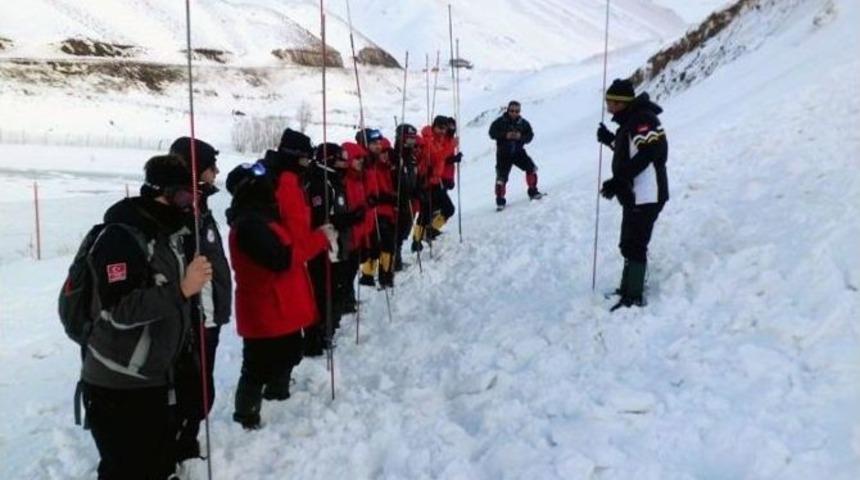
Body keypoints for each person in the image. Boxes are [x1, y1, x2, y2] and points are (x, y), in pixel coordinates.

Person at [80, 154, 212, 479]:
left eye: (192, 197)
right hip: (119, 383)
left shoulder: (169, 233)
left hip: (155, 376)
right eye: (183, 196)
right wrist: (182, 289)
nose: (188, 204)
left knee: (157, 463)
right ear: (161, 192)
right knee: (129, 469)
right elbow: (120, 309)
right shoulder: (122, 237)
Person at [229, 129, 337, 429]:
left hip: (277, 298)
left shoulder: (262, 216)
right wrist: (318, 239)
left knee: (286, 350)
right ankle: (247, 415)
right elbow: (285, 255)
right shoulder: (251, 223)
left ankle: (277, 390)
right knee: (256, 363)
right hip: (265, 303)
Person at [167, 137, 232, 462]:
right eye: (210, 167)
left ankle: (186, 437)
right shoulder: (181, 210)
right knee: (191, 390)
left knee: (200, 387)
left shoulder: (200, 205)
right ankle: (181, 446)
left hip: (207, 314)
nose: (216, 172)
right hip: (194, 317)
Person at [596, 78, 669, 311]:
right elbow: (632, 149)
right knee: (628, 243)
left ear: (620, 103)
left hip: (647, 194)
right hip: (635, 194)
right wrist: (610, 140)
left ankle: (634, 295)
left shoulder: (642, 119)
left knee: (635, 244)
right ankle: (627, 288)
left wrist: (619, 180)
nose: (607, 106)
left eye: (610, 101)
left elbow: (650, 152)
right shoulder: (632, 119)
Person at [488, 101, 543, 209]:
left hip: (518, 152)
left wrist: (520, 137)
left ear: (519, 111)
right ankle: (500, 202)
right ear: (507, 110)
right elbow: (492, 133)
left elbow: (530, 136)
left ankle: (533, 192)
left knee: (531, 168)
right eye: (512, 110)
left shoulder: (523, 123)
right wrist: (505, 135)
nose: (514, 113)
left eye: (516, 111)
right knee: (501, 178)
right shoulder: (499, 122)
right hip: (503, 154)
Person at [419, 115, 458, 239]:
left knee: (446, 209)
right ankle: (418, 238)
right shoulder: (428, 139)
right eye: (440, 128)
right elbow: (437, 157)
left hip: (436, 180)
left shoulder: (439, 140)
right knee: (426, 212)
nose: (443, 131)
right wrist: (451, 147)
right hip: (427, 181)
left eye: (444, 129)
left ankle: (430, 231)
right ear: (434, 127)